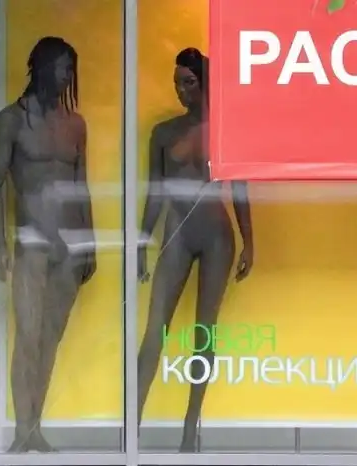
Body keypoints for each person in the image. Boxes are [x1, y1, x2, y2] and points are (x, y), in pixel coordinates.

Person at [136, 47, 254, 452]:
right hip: (177, 230)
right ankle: (131, 429)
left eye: (188, 83)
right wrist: (142, 240)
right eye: (177, 84)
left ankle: (190, 431)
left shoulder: (226, 130)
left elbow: (240, 189)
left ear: (205, 83)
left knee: (204, 333)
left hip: (216, 232)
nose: (181, 91)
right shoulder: (163, 133)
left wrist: (250, 242)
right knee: (155, 330)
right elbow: (155, 192)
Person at [0, 36, 96, 453]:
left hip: (69, 244)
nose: (68, 76)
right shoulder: (11, 120)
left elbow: (82, 185)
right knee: (28, 337)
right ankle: (22, 430)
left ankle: (34, 426)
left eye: (71, 70)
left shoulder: (75, 124)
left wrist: (90, 242)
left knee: (50, 338)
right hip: (31, 240)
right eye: (63, 68)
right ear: (43, 68)